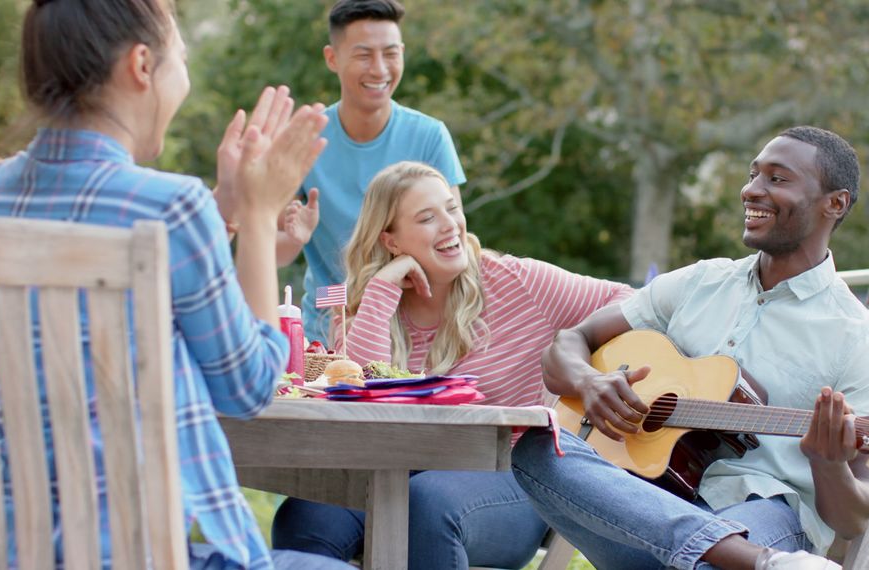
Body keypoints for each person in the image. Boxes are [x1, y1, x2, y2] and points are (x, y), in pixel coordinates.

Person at [0, 1, 348, 568]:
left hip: (13, 549)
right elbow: (247, 388)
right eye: (181, 60)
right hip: (151, 550)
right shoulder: (171, 208)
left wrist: (224, 211)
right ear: (142, 66)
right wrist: (260, 213)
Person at [510, 126, 869, 570]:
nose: (751, 190)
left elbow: (854, 517)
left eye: (777, 178)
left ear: (836, 203)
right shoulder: (700, 282)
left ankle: (725, 554)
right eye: (754, 175)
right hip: (644, 500)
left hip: (765, 507)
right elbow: (568, 344)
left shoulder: (857, 341)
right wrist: (590, 381)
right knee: (538, 448)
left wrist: (827, 464)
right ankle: (755, 561)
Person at [271, 161, 633, 569]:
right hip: (398, 475)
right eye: (427, 218)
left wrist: (579, 364)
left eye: (451, 209)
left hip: (518, 476)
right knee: (304, 516)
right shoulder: (373, 308)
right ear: (390, 240)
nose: (450, 225)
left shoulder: (517, 281)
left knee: (429, 504)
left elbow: (631, 301)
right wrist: (382, 290)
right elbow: (358, 400)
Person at [269, 0, 467, 346]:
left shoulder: (430, 136)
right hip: (327, 334)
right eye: (363, 55)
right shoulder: (304, 139)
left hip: (415, 335)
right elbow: (274, 251)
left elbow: (454, 239)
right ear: (332, 58)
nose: (379, 70)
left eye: (390, 53)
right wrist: (296, 237)